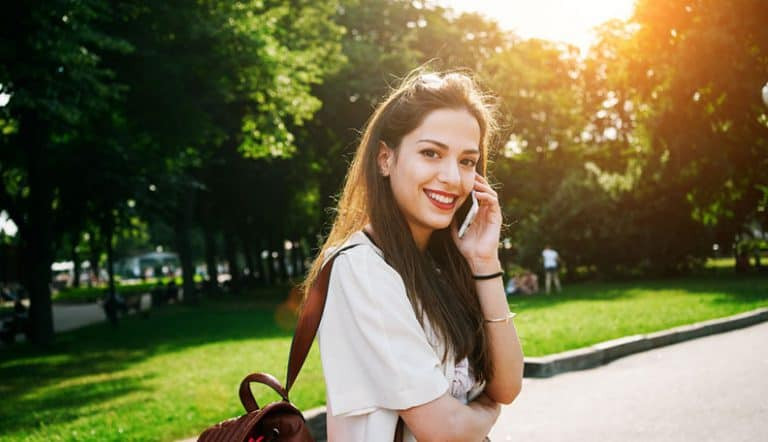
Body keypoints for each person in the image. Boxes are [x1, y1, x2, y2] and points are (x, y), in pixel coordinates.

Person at [301, 70, 524, 442]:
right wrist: (486, 409)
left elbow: (508, 384)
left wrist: (485, 263)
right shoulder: (361, 268)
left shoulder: (441, 264)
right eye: (431, 153)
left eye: (467, 161)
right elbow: (445, 429)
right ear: (386, 159)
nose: (452, 177)